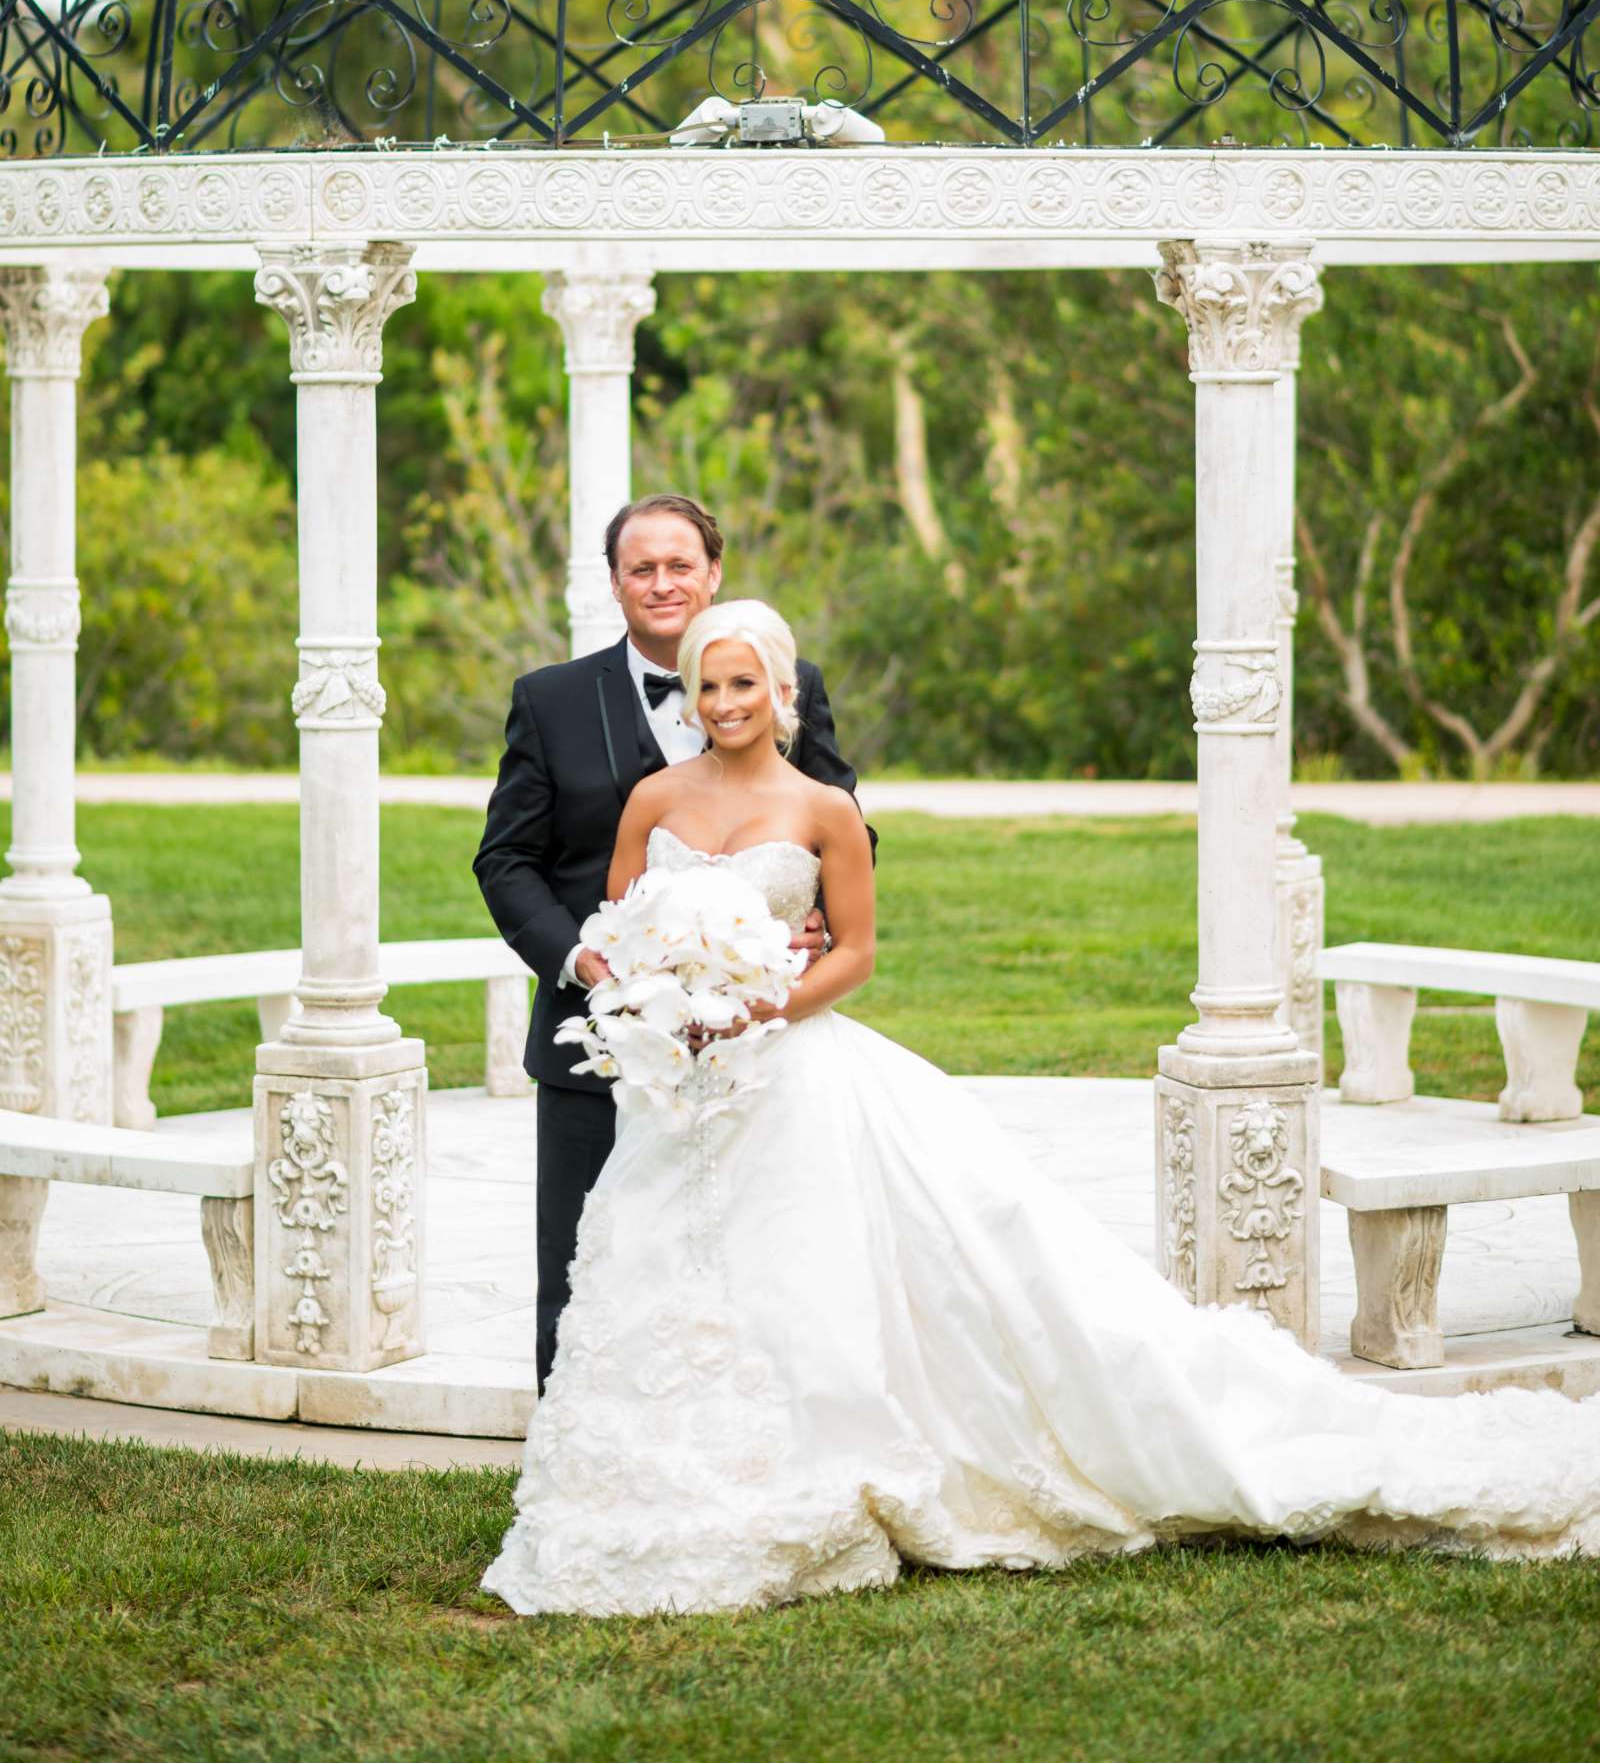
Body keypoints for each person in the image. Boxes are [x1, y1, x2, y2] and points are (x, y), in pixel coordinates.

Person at [484, 600, 1600, 1619]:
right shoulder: (653, 799)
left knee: (804, 1269)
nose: (723, 705)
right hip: (677, 1099)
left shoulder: (822, 809)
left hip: (789, 1076)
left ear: (781, 691)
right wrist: (653, 997)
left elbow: (859, 954)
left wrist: (758, 1004)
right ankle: (665, 1476)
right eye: (704, 688)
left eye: (743, 684)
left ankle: (822, 1462)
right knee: (662, 1274)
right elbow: (619, 925)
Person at [473, 496, 866, 1392]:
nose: (661, 584)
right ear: (614, 582)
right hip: (598, 1040)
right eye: (640, 568)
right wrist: (585, 962)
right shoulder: (550, 700)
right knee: (586, 1258)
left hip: (762, 1048)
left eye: (679, 565)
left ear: (714, 571)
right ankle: (572, 1442)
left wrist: (811, 921)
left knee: (756, 1251)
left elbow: (844, 825)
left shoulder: (785, 675)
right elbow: (506, 861)